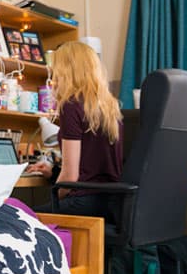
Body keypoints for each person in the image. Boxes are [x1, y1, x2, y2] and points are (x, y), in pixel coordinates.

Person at [25, 41, 123, 220]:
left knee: (19, 217)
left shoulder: (71, 105)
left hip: (84, 203)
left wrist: (54, 198)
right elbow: (94, 170)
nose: (54, 78)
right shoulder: (110, 108)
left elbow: (71, 176)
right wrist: (52, 172)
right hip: (112, 204)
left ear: (67, 71)